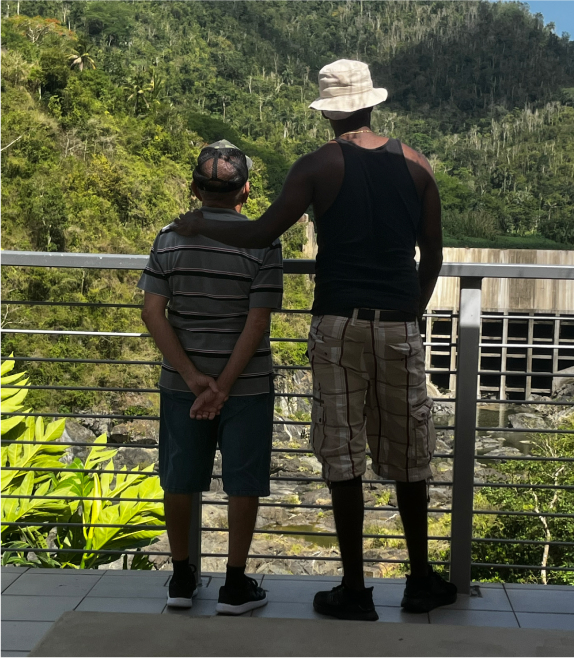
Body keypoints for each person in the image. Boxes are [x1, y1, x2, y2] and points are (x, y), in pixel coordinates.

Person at [172, 60, 457, 621]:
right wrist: (411, 312)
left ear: (328, 110)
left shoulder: (318, 166)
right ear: (372, 103)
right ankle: (420, 579)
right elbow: (434, 253)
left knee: (342, 453)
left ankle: (355, 587)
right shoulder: (418, 164)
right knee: (408, 455)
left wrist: (199, 224)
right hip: (399, 322)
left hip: (338, 324)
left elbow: (258, 232)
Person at [139, 140, 283, 615]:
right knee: (243, 481)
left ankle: (181, 580)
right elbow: (258, 321)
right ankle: (235, 585)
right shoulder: (262, 240)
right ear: (245, 191)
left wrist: (194, 377)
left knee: (180, 478)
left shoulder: (168, 237)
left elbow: (153, 312)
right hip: (248, 385)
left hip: (184, 386)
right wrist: (223, 385)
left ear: (195, 189)